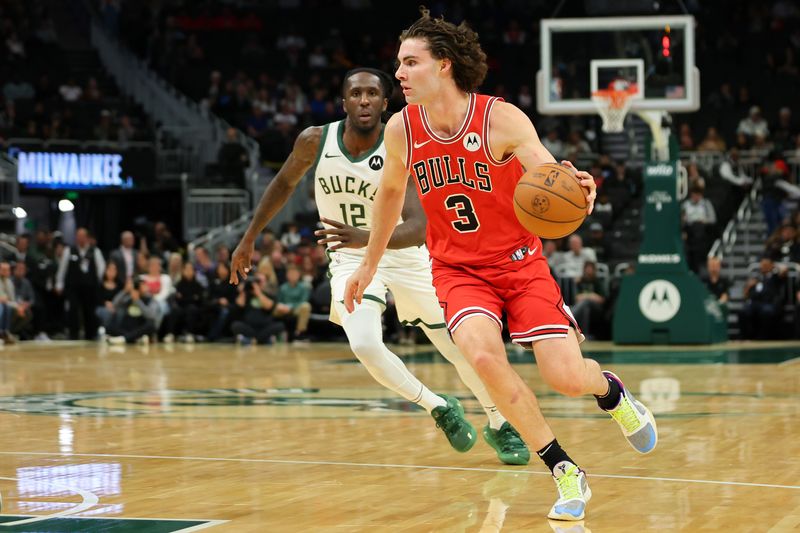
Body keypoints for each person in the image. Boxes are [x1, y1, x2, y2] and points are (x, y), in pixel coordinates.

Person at [343, 9, 657, 521]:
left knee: (565, 376)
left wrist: (577, 186)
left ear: (443, 65)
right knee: (484, 361)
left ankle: (611, 392)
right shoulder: (402, 128)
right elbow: (389, 197)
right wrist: (366, 266)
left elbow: (547, 173)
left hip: (519, 263)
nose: (396, 73)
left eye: (409, 62)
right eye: (398, 63)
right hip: (457, 271)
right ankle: (564, 469)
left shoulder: (501, 119)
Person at [231, 67, 529, 465]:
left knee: (460, 349)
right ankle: (438, 408)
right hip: (351, 258)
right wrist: (249, 238)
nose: (364, 100)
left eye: (373, 94)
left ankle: (498, 423)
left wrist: (367, 238)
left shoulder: (400, 145)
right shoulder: (314, 141)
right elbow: (283, 185)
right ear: (344, 102)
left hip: (406, 257)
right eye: (356, 94)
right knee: (366, 344)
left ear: (386, 103)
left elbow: (420, 228)